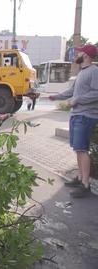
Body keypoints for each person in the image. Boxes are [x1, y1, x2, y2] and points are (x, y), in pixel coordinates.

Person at [49, 44, 98, 198]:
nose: (76, 54)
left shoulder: (94, 71)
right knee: (78, 149)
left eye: (79, 52)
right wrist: (55, 97)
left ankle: (85, 184)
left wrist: (77, 100)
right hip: (77, 115)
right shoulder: (82, 72)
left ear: (86, 55)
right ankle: (80, 178)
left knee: (82, 150)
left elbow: (96, 93)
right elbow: (71, 91)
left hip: (86, 116)